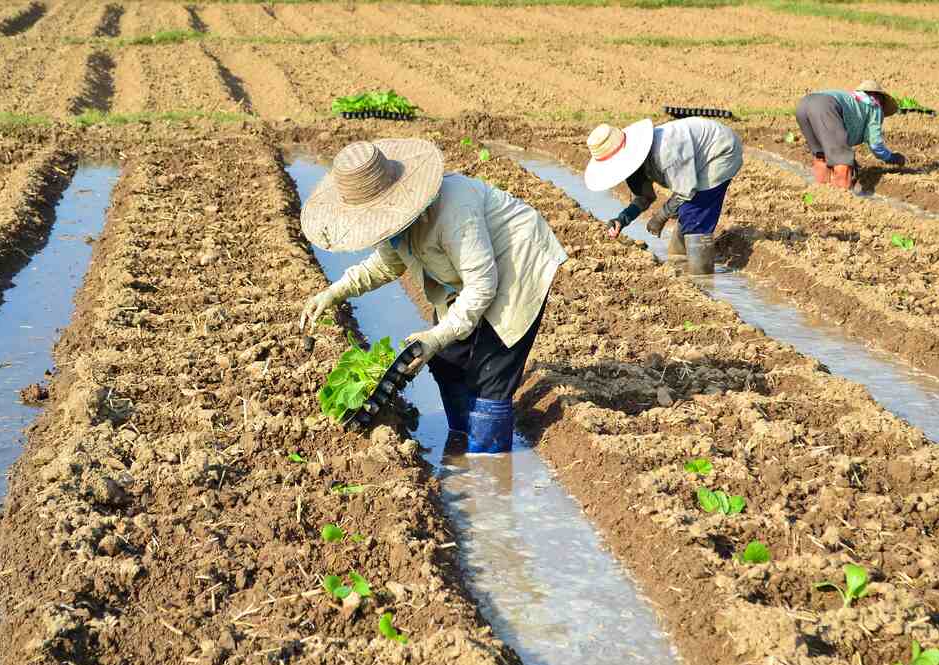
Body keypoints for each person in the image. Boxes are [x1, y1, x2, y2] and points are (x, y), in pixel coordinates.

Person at [298, 139, 567, 454]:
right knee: (445, 359)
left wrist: (437, 336)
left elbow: (482, 284)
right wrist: (334, 292)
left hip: (517, 262)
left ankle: (488, 464)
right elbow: (386, 264)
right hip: (467, 275)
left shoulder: (454, 209)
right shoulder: (394, 224)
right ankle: (461, 439)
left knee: (490, 374)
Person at [583, 117, 743, 257]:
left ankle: (701, 274)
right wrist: (622, 219)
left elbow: (686, 191)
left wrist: (660, 217)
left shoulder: (666, 152)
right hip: (695, 157)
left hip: (720, 151)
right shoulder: (635, 164)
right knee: (686, 216)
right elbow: (644, 197)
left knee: (694, 216)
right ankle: (683, 260)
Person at [795, 79, 906, 189]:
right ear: (880, 98)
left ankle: (823, 192)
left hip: (804, 105)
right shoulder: (874, 106)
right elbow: (875, 144)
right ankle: (842, 197)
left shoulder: (852, 101)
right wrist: (890, 157)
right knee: (842, 162)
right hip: (826, 106)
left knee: (821, 156)